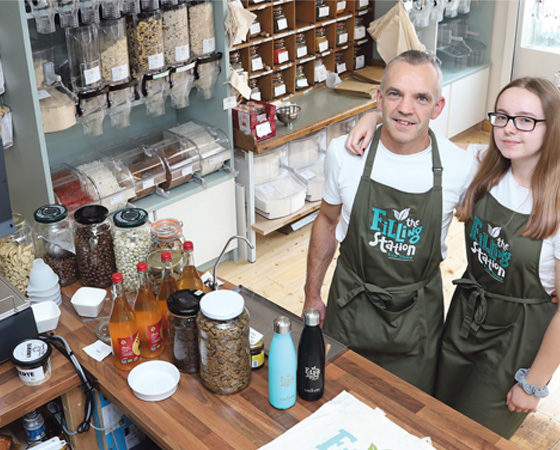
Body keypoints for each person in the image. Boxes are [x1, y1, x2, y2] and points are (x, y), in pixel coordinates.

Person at [303, 50, 476, 394]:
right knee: (338, 405)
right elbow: (326, 220)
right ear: (379, 98)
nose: (406, 108)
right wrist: (311, 293)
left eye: (421, 98)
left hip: (416, 324)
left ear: (437, 108)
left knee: (408, 419)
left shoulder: (461, 168)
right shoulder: (345, 153)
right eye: (395, 94)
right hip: (350, 307)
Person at [434, 77, 560, 438]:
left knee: (474, 437)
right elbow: (418, 136)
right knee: (437, 416)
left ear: (552, 127)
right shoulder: (481, 165)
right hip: (465, 318)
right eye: (502, 117)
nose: (508, 129)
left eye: (525, 120)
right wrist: (370, 118)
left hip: (517, 342)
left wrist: (534, 383)